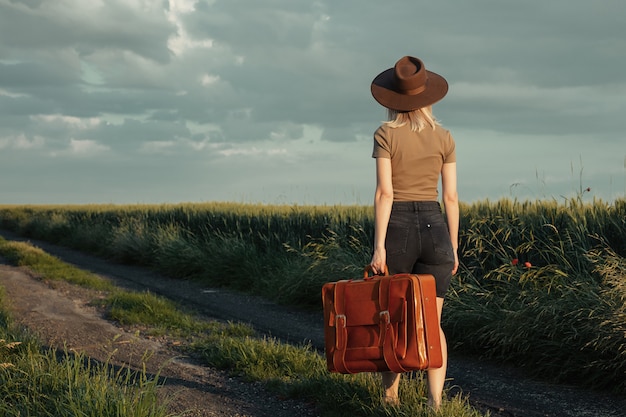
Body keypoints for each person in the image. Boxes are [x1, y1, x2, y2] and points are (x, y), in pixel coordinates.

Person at [368, 55, 459, 410]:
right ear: (428, 96)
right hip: (436, 228)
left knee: (394, 318)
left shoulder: (385, 134)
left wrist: (379, 247)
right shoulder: (444, 137)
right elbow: (450, 196)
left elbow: (384, 193)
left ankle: (390, 398)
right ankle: (434, 402)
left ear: (393, 99)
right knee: (432, 323)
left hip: (399, 228)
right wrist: (453, 245)